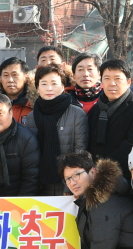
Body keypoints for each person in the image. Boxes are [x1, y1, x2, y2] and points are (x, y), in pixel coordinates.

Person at [22, 65, 88, 195]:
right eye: (44, 84)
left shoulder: (77, 114)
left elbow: (80, 153)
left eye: (54, 83)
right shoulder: (31, 117)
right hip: (40, 186)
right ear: (37, 86)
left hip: (69, 186)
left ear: (63, 86)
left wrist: (70, 187)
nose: (49, 88)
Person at [87, 59, 133, 165]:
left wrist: (103, 169)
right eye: (107, 78)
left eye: (117, 78)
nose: (112, 83)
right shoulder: (95, 110)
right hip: (94, 171)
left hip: (124, 174)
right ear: (101, 82)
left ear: (128, 82)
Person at [0, 56, 35, 124]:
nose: (10, 80)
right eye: (6, 75)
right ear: (0, 79)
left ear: (26, 78)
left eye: (15, 75)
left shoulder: (35, 103)